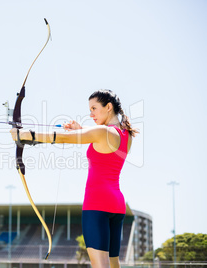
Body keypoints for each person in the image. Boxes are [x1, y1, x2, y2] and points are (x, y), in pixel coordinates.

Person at [10, 89, 138, 268]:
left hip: (97, 203)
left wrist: (27, 135)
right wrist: (81, 129)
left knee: (100, 264)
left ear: (108, 107)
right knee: (113, 263)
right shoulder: (126, 135)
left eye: (94, 108)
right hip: (117, 204)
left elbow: (64, 137)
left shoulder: (102, 132)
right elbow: (98, 134)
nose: (90, 113)